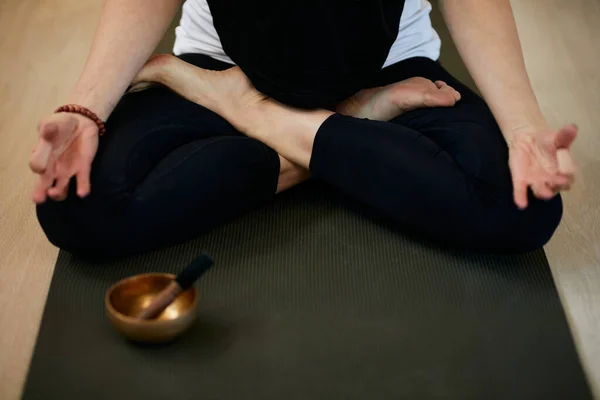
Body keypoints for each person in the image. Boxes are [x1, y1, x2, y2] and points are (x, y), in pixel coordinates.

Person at [29, 0, 577, 258]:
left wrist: (524, 130)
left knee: (520, 209)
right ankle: (346, 128)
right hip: (222, 64)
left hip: (390, 68)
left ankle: (263, 118)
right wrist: (85, 113)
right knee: (76, 204)